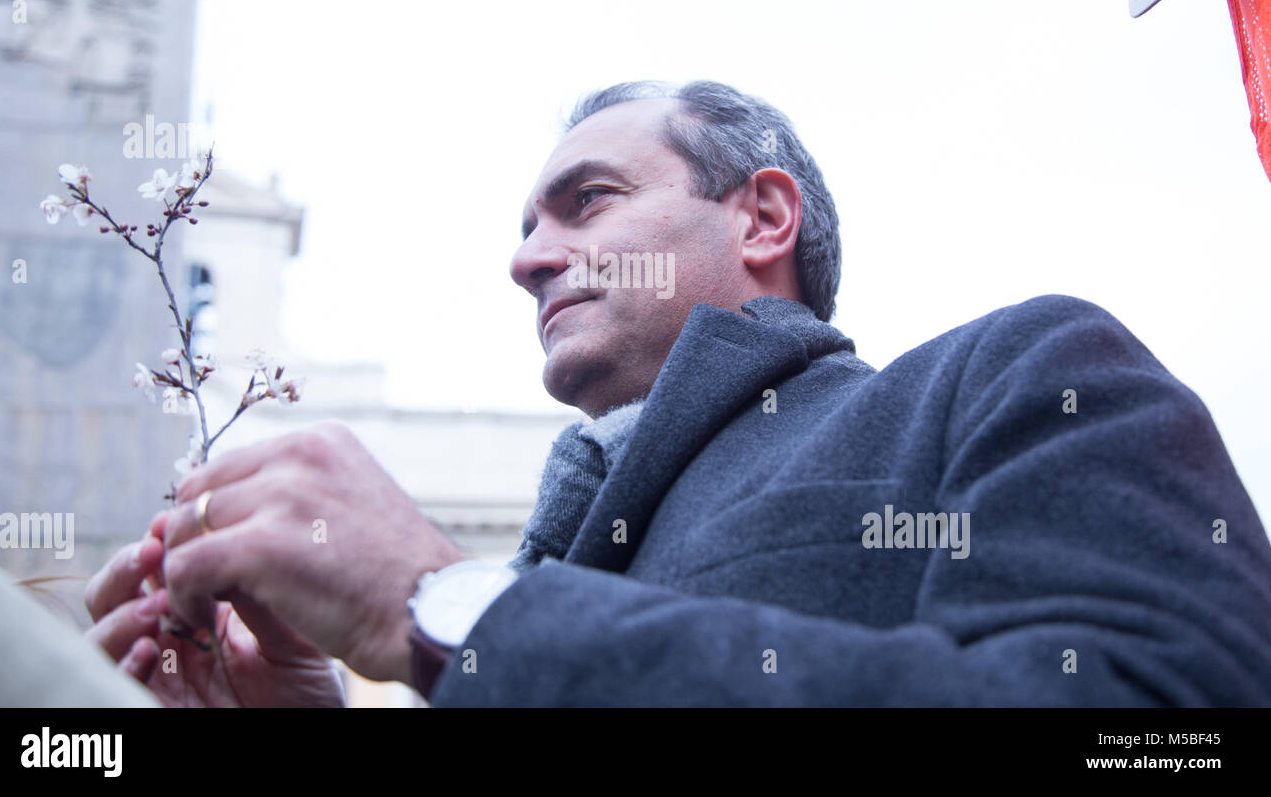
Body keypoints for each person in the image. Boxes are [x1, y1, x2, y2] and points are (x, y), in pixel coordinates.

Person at [86, 81, 1271, 706]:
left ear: (763, 215)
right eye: (523, 225)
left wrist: (451, 606)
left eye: (586, 200)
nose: (525, 257)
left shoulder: (1018, 370)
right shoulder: (550, 557)